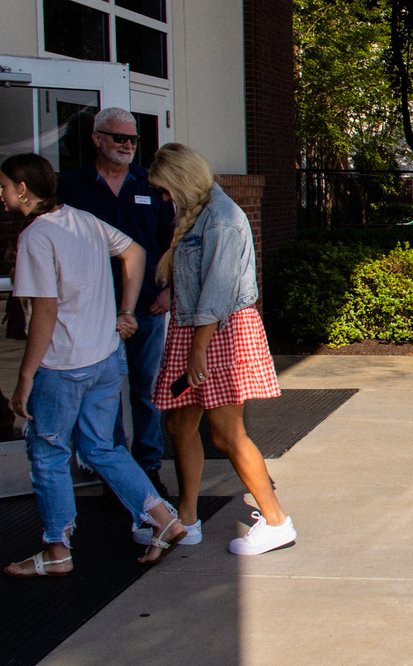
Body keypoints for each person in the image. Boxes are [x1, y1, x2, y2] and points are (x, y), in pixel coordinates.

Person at [0, 153, 185, 576]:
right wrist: (125, 311)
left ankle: (56, 551)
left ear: (24, 189)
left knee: (47, 453)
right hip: (104, 359)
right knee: (102, 447)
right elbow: (135, 252)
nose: (1, 193)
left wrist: (25, 377)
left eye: (5, 186)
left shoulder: (37, 236)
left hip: (63, 366)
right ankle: (163, 519)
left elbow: (44, 313)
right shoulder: (82, 220)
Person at [142, 143, 296, 556]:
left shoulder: (223, 217)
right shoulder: (197, 215)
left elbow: (217, 291)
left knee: (227, 434)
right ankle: (187, 519)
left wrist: (197, 352)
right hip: (196, 329)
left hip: (218, 333)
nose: (162, 197)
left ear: (181, 180)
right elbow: (196, 282)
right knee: (178, 425)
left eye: (164, 188)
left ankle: (277, 521)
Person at [58, 107, 175, 498]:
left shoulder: (150, 185)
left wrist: (169, 289)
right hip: (92, 311)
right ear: (96, 138)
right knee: (103, 396)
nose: (127, 146)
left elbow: (172, 242)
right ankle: (116, 474)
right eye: (119, 138)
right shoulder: (72, 187)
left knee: (146, 390)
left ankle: (149, 468)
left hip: (147, 307)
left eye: (133, 140)